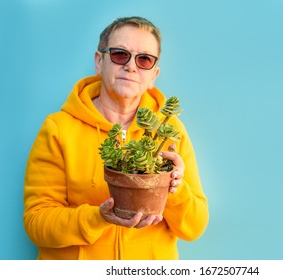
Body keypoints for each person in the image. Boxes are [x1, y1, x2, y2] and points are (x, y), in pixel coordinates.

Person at [23, 16, 209, 260]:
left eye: (144, 59)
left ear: (154, 74)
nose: (131, 66)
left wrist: (174, 188)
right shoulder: (58, 128)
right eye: (120, 54)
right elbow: (37, 222)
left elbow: (194, 227)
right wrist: (97, 218)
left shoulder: (170, 130)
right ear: (100, 62)